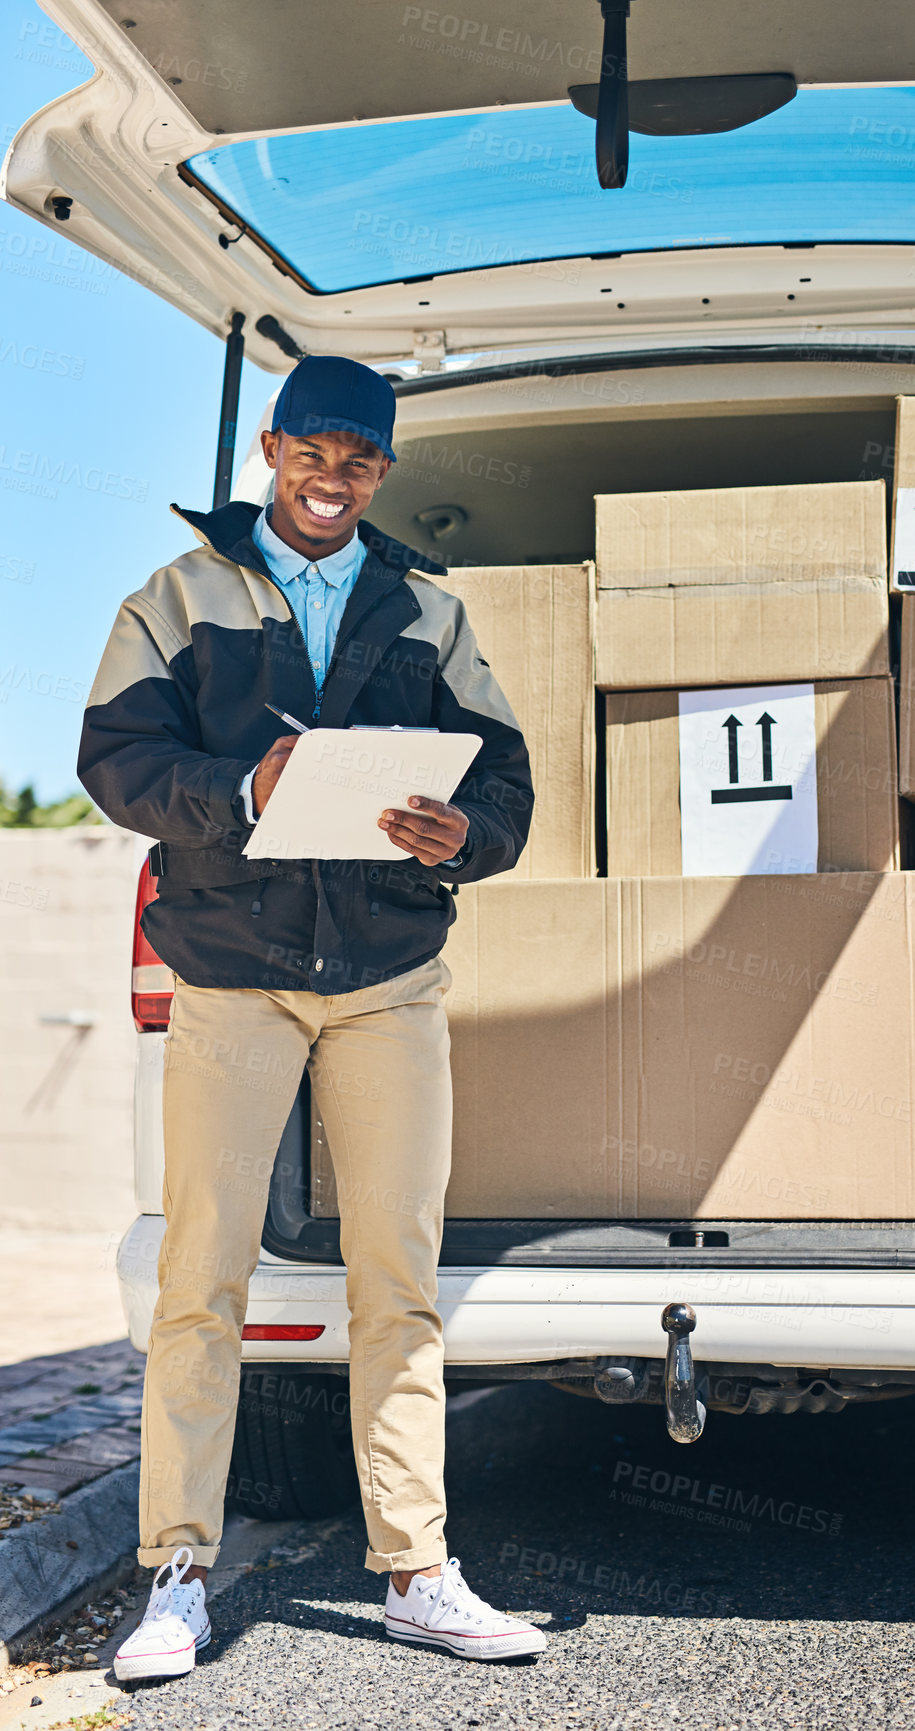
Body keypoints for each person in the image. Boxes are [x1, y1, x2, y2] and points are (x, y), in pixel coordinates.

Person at [77, 355, 543, 1676]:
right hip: (231, 974)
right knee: (202, 1278)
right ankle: (175, 1573)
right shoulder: (174, 600)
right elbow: (117, 761)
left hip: (390, 982)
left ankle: (417, 1569)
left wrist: (468, 836)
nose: (332, 479)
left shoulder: (428, 614)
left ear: (383, 471)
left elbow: (504, 778)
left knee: (399, 1279)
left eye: (360, 461)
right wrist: (241, 786)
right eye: (312, 451)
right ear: (270, 448)